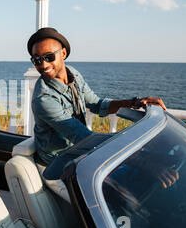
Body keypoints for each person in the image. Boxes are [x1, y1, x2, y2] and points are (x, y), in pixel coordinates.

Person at [27, 27, 171, 183]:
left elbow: (97, 104)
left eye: (49, 57)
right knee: (126, 184)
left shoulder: (73, 74)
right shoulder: (44, 99)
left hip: (80, 149)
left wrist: (134, 102)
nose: (43, 64)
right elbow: (84, 139)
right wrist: (143, 161)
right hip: (60, 159)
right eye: (37, 60)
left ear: (63, 54)